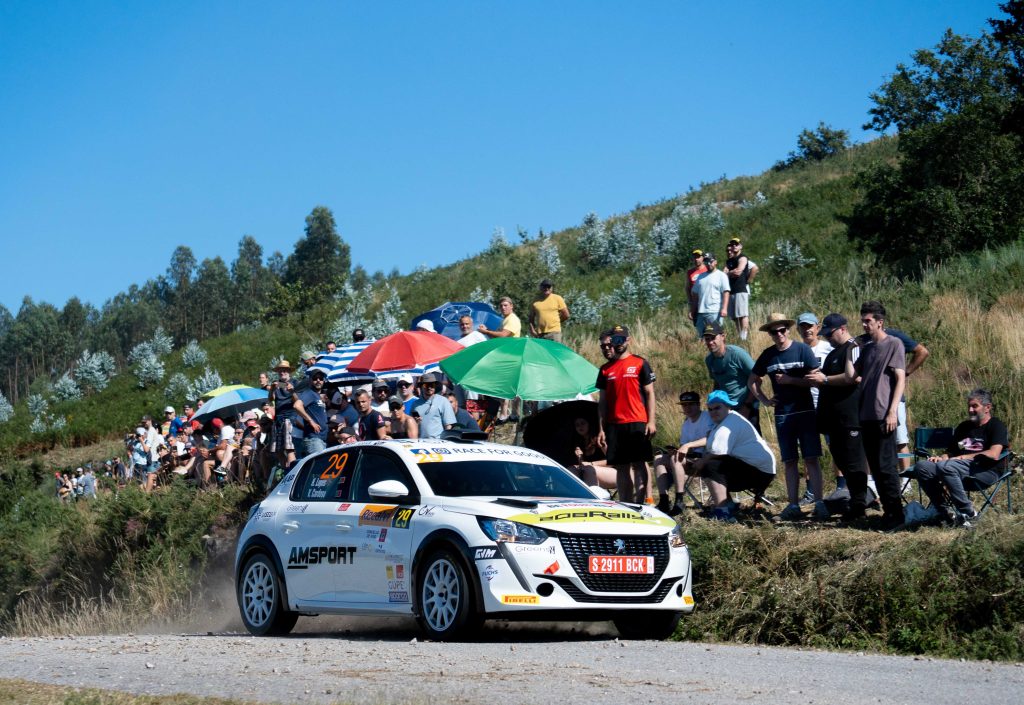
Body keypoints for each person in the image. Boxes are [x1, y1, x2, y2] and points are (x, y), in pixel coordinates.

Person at [749, 313, 826, 521]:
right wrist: (764, 400)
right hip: (783, 413)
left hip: (805, 411)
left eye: (782, 330)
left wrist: (791, 380)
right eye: (774, 332)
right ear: (770, 334)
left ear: (788, 330)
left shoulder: (802, 350)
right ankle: (793, 505)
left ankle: (819, 502)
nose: (779, 334)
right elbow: (753, 379)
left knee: (811, 458)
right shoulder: (768, 355)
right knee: (790, 460)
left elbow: (816, 380)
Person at [845, 301, 906, 529]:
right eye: (862, 320)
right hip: (866, 415)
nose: (864, 324)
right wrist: (851, 351)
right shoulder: (868, 348)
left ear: (880, 322)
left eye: (868, 320)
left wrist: (892, 411)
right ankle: (888, 513)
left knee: (887, 466)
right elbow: (851, 376)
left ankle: (896, 515)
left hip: (884, 415)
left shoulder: (894, 344)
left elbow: (900, 379)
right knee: (876, 467)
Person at [911, 389, 1008, 526]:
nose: (970, 410)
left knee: (946, 466)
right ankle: (945, 513)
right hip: (955, 469)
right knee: (922, 467)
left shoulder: (996, 426)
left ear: (988, 407)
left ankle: (969, 514)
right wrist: (941, 457)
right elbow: (951, 452)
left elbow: (994, 453)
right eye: (969, 406)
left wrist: (961, 458)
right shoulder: (964, 427)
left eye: (975, 406)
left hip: (985, 470)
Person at [807, 313, 870, 519]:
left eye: (830, 334)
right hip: (834, 419)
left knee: (854, 461)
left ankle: (860, 504)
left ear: (842, 329)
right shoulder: (834, 352)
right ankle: (855, 500)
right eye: (824, 334)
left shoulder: (854, 347)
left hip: (850, 417)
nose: (827, 338)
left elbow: (852, 378)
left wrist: (824, 380)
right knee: (841, 460)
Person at [691, 391, 777, 521]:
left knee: (710, 465)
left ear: (728, 407)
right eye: (710, 409)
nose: (713, 411)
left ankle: (723, 512)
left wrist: (701, 462)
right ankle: (729, 505)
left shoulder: (728, 424)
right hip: (758, 469)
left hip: (760, 473)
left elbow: (717, 453)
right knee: (713, 464)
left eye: (717, 407)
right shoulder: (724, 421)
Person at [595, 325, 657, 504]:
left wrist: (651, 421)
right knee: (622, 468)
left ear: (628, 340)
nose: (618, 343)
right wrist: (601, 429)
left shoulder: (640, 362)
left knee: (639, 464)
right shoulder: (606, 369)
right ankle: (627, 504)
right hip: (615, 425)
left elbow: (650, 393)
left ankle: (643, 502)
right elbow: (603, 402)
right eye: (615, 339)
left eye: (621, 339)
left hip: (637, 421)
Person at [653, 391, 713, 516]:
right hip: (691, 458)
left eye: (691, 404)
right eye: (684, 405)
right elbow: (685, 447)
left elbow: (711, 438)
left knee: (676, 459)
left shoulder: (707, 417)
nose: (687, 408)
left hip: (706, 458)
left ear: (698, 405)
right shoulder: (686, 424)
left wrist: (687, 445)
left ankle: (679, 501)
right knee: (659, 458)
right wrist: (676, 450)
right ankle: (664, 500)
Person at [703, 321, 759, 433]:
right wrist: (715, 404)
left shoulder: (737, 354)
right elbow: (717, 383)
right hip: (726, 407)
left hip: (746, 404)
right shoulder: (709, 360)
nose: (710, 342)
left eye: (713, 338)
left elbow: (757, 379)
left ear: (723, 336)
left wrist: (747, 406)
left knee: (750, 439)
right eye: (707, 339)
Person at [478, 296, 523, 422]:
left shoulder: (512, 319)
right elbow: (498, 337)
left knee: (508, 385)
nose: (503, 308)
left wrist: (486, 332)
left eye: (506, 305)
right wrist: (486, 330)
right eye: (501, 306)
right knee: (507, 384)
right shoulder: (506, 320)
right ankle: (509, 413)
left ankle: (509, 414)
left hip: (512, 356)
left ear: (512, 306)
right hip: (507, 355)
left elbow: (503, 335)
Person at [568, 417, 617, 490]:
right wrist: (580, 458)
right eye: (577, 425)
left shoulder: (600, 438)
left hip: (614, 472)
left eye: (583, 423)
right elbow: (583, 465)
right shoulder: (579, 442)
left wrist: (591, 464)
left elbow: (613, 461)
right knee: (571, 469)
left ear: (589, 424)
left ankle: (592, 499)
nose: (580, 427)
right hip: (591, 473)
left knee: (589, 470)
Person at [689, 252, 730, 339]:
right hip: (701, 312)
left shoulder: (721, 275)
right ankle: (702, 351)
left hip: (714, 311)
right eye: (706, 261)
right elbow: (695, 295)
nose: (708, 264)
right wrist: (692, 311)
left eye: (710, 261)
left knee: (715, 335)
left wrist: (724, 308)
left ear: (715, 262)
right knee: (701, 336)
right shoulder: (700, 277)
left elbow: (726, 292)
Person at [724, 238, 758, 340]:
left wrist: (748, 280)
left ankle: (744, 336)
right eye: (732, 244)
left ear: (740, 246)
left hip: (740, 289)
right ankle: (740, 336)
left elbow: (739, 271)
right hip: (731, 290)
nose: (734, 246)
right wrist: (730, 273)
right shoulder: (729, 261)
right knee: (735, 316)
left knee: (742, 314)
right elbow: (723, 273)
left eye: (736, 244)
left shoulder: (743, 258)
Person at [268, 360, 298, 470]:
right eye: (280, 370)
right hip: (279, 418)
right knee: (278, 449)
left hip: (290, 416)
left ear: (289, 371)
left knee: (289, 448)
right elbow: (271, 400)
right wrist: (271, 390)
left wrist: (292, 391)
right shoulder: (276, 384)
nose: (282, 372)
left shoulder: (294, 382)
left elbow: (298, 401)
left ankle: (293, 471)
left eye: (284, 370)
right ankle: (286, 472)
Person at [292, 370, 329, 458]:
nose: (318, 380)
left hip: (321, 439)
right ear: (310, 381)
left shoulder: (317, 395)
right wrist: (311, 421)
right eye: (315, 378)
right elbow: (297, 405)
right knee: (319, 468)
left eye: (321, 378)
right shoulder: (309, 393)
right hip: (314, 439)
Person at [412, 374, 456, 439]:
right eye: (426, 385)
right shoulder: (415, 404)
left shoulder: (443, 401)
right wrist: (416, 422)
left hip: (438, 442)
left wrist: (446, 441)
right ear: (421, 386)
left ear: (435, 386)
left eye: (432, 385)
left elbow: (448, 425)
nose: (429, 388)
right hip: (420, 442)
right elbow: (412, 426)